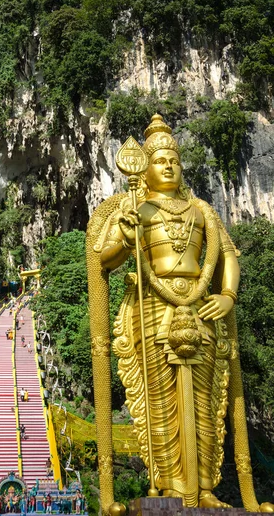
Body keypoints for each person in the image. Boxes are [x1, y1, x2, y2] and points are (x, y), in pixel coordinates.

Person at [88, 114, 274, 512]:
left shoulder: (202, 209)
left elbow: (227, 255)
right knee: (160, 399)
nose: (168, 165)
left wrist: (228, 295)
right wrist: (125, 232)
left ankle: (205, 488)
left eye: (174, 158)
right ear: (146, 169)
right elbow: (102, 259)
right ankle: (172, 486)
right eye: (159, 160)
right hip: (153, 307)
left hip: (202, 303)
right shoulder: (134, 209)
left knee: (206, 399)